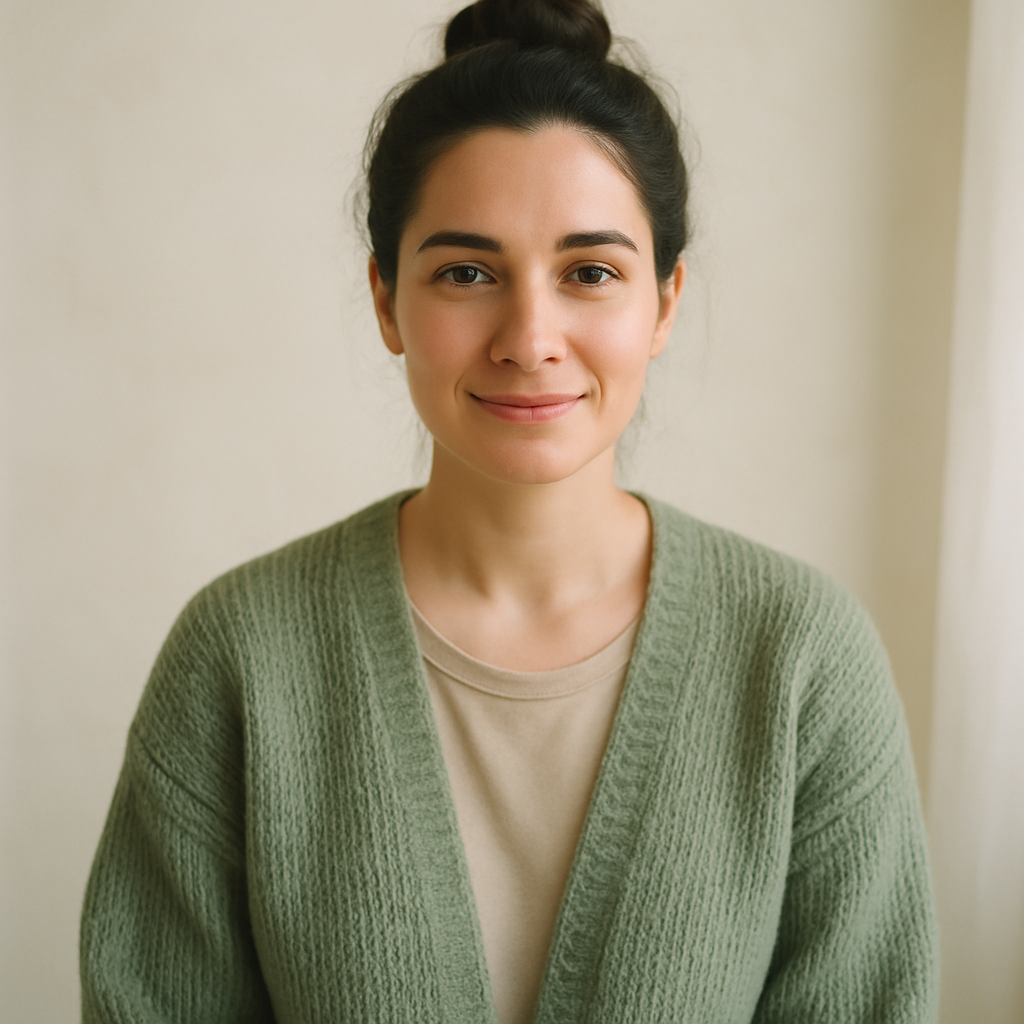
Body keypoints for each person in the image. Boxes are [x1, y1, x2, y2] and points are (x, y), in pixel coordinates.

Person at [79, 1, 940, 1021]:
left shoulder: (801, 660)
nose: (530, 337)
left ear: (663, 301)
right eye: (466, 273)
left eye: (589, 273)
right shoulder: (242, 657)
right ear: (386, 300)